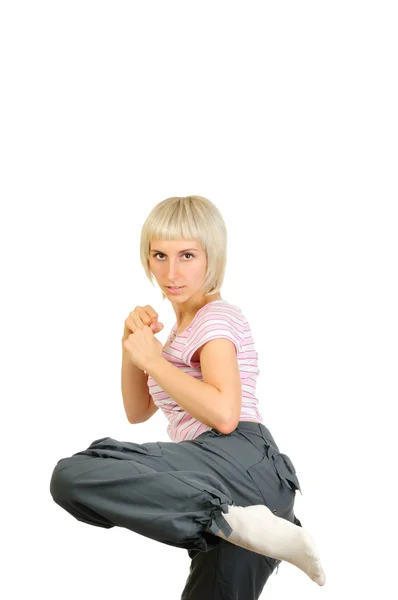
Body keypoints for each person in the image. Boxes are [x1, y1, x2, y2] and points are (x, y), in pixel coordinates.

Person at [50, 195, 326, 598]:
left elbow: (225, 414)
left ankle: (222, 518)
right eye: (159, 255)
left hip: (237, 459)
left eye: (187, 256)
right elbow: (137, 410)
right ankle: (235, 521)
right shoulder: (181, 332)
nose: (171, 271)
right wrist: (133, 346)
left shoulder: (215, 319)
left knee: (71, 475)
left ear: (212, 257)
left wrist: (156, 363)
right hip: (247, 494)